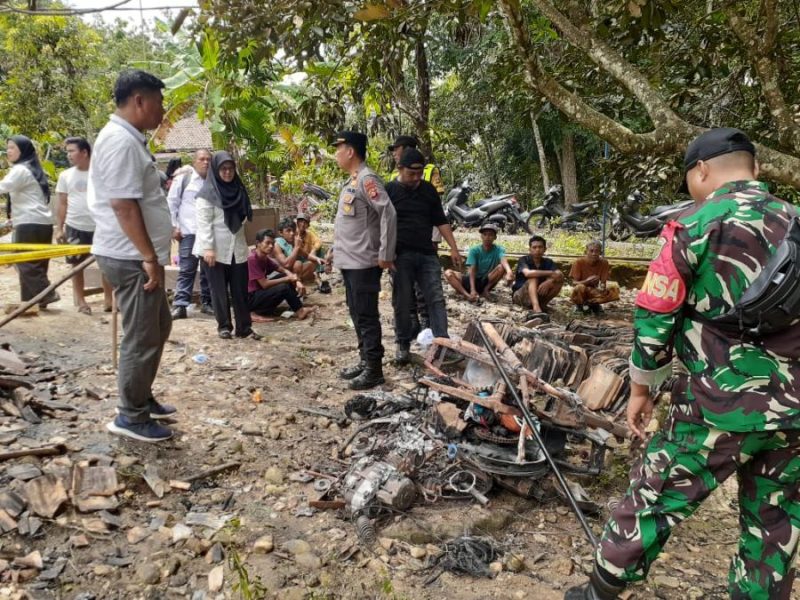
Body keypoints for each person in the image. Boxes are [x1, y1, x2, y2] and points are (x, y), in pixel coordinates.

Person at [566, 128, 800, 600]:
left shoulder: (694, 225)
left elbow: (654, 316)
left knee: (653, 497)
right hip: (794, 407)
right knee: (774, 520)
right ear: (754, 169)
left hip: (717, 403)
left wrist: (640, 389)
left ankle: (598, 592)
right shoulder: (795, 220)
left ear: (702, 171)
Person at [87, 70, 176, 442]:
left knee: (158, 328)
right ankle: (130, 416)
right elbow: (123, 206)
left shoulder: (129, 140)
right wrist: (149, 256)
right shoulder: (120, 143)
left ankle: (140, 395)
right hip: (130, 257)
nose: (162, 109)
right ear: (139, 100)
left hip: (135, 255)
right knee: (141, 336)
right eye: (158, 101)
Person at [329, 131, 396, 390]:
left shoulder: (367, 180)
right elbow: (349, 224)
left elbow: (387, 212)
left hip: (364, 263)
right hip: (350, 261)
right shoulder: (352, 181)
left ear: (350, 151)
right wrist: (335, 251)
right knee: (357, 313)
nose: (336, 154)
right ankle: (364, 360)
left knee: (367, 316)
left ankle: (374, 369)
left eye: (339, 148)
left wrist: (385, 254)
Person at [386, 147, 462, 364]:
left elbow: (441, 220)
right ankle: (402, 346)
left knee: (435, 299)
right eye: (412, 174)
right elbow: (379, 224)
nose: (416, 178)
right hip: (400, 256)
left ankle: (442, 345)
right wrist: (384, 254)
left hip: (427, 254)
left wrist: (454, 248)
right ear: (400, 168)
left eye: (420, 173)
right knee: (402, 301)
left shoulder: (428, 190)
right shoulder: (389, 190)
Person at [194, 151, 260, 341]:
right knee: (219, 291)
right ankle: (224, 326)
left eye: (231, 169)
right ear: (215, 170)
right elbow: (204, 223)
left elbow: (244, 215)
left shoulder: (238, 189)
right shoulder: (207, 194)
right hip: (214, 250)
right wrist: (208, 248)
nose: (227, 173)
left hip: (236, 248)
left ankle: (244, 328)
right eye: (223, 169)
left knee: (240, 290)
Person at [387, 135, 445, 331]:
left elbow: (439, 214)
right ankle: (409, 327)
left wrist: (444, 243)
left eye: (396, 149)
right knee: (402, 294)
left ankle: (430, 325)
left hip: (427, 236)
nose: (394, 153)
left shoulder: (429, 173)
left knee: (429, 290)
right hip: (400, 247)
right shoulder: (392, 183)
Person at [54, 137, 113, 315]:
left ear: (85, 152)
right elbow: (62, 203)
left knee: (106, 263)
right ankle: (81, 301)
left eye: (72, 151)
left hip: (100, 225)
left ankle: (109, 299)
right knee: (76, 265)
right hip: (75, 225)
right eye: (67, 151)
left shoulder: (101, 173)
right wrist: (59, 228)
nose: (68, 155)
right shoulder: (65, 176)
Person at [1, 135, 58, 307]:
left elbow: (2, 187)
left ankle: (47, 293)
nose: (8, 151)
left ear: (23, 150)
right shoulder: (33, 169)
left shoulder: (20, 170)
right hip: (42, 223)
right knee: (38, 262)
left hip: (29, 222)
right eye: (7, 147)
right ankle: (31, 301)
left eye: (12, 148)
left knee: (23, 260)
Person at [167, 149, 213, 319]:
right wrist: (173, 227)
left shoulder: (213, 181)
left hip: (207, 232)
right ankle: (180, 305)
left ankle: (207, 303)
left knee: (209, 269)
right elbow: (171, 203)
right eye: (202, 159)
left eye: (208, 159)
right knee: (187, 269)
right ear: (195, 161)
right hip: (189, 231)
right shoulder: (183, 179)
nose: (206, 162)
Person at [247, 228, 316, 320]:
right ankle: (254, 313)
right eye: (267, 243)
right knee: (283, 286)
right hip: (250, 299)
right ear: (258, 243)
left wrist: (295, 279)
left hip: (259, 294)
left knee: (285, 277)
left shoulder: (264, 258)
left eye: (272, 243)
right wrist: (288, 279)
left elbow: (282, 269)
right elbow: (264, 284)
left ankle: (298, 308)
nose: (271, 246)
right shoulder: (252, 259)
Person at [444, 223, 512, 302]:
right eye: (485, 234)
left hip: (485, 281)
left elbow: (503, 259)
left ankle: (485, 290)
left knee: (501, 267)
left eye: (490, 235)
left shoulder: (499, 249)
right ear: (481, 236)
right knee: (448, 273)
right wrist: (473, 289)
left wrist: (509, 271)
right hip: (471, 280)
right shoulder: (474, 250)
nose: (487, 237)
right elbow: (472, 270)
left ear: (495, 237)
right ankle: (467, 295)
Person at [511, 235, 564, 314]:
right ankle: (536, 308)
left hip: (538, 294)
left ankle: (542, 305)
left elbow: (559, 274)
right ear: (530, 249)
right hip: (520, 296)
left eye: (540, 247)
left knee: (558, 281)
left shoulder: (548, 261)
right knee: (533, 278)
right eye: (534, 247)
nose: (537, 250)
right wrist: (551, 273)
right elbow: (528, 273)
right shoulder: (523, 260)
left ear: (545, 249)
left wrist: (550, 281)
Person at [569, 240, 619, 314]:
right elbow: (574, 283)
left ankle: (594, 304)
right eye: (591, 251)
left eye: (597, 251)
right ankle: (580, 305)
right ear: (586, 252)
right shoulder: (578, 262)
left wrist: (601, 288)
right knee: (579, 287)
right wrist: (587, 281)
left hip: (594, 290)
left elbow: (603, 283)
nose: (594, 254)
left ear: (600, 253)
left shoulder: (604, 262)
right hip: (582, 289)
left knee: (614, 288)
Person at [273, 217, 315, 285]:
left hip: (291, 271)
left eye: (293, 230)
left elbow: (307, 255)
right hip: (279, 274)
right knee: (297, 264)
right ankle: (295, 284)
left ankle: (296, 281)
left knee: (311, 264)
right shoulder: (277, 244)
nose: (292, 233)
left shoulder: (292, 241)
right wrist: (296, 247)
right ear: (281, 233)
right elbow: (286, 265)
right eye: (288, 231)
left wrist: (321, 260)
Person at [295, 213, 329, 292]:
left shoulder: (309, 234)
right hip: (297, 261)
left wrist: (313, 250)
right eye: (301, 222)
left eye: (305, 222)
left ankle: (317, 275)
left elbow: (318, 241)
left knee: (320, 249)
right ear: (297, 223)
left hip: (307, 258)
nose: (303, 224)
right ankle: (303, 279)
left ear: (308, 225)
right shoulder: (293, 233)